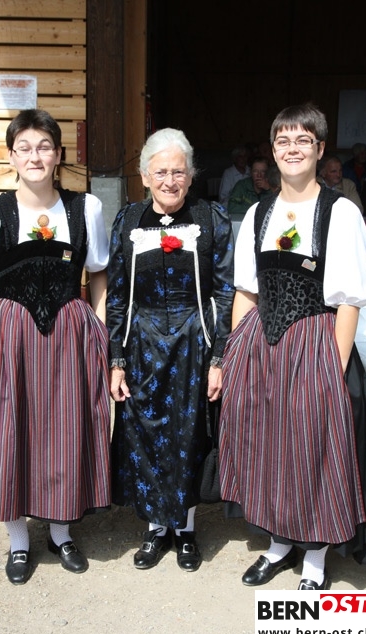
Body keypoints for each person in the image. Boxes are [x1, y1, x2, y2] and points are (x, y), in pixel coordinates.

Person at [0, 109, 111, 585]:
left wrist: (99, 332)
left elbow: (98, 273)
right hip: (8, 337)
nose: (35, 156)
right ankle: (19, 540)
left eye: (44, 147)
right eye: (25, 148)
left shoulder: (86, 209)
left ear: (58, 154)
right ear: (11, 157)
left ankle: (61, 533)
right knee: (9, 432)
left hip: (69, 336)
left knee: (65, 429)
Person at [219, 102, 366, 590]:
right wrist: (234, 356)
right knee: (270, 446)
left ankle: (315, 559)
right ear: (272, 149)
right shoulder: (259, 212)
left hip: (316, 342)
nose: (292, 149)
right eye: (283, 140)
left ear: (320, 149)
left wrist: (333, 368)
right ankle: (278, 544)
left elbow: (348, 300)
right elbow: (247, 291)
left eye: (303, 140)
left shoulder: (339, 211)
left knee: (313, 448)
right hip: (262, 343)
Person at [107, 127, 235, 572]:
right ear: (145, 176)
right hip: (141, 345)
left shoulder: (212, 218)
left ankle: (185, 529)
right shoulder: (128, 221)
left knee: (188, 436)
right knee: (144, 436)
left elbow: (225, 293)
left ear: (191, 175)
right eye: (160, 172)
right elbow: (118, 296)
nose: (169, 181)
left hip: (192, 345)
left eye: (178, 172)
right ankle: (155, 528)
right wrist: (116, 360)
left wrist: (219, 357)